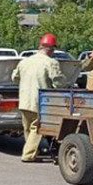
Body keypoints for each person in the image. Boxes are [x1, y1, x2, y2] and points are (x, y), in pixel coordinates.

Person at [11, 33, 66, 163]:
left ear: (40, 46)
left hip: (24, 100)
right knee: (37, 128)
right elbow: (58, 82)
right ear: (52, 49)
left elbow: (14, 78)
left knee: (28, 128)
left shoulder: (24, 61)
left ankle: (32, 151)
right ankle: (28, 154)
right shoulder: (51, 63)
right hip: (40, 102)